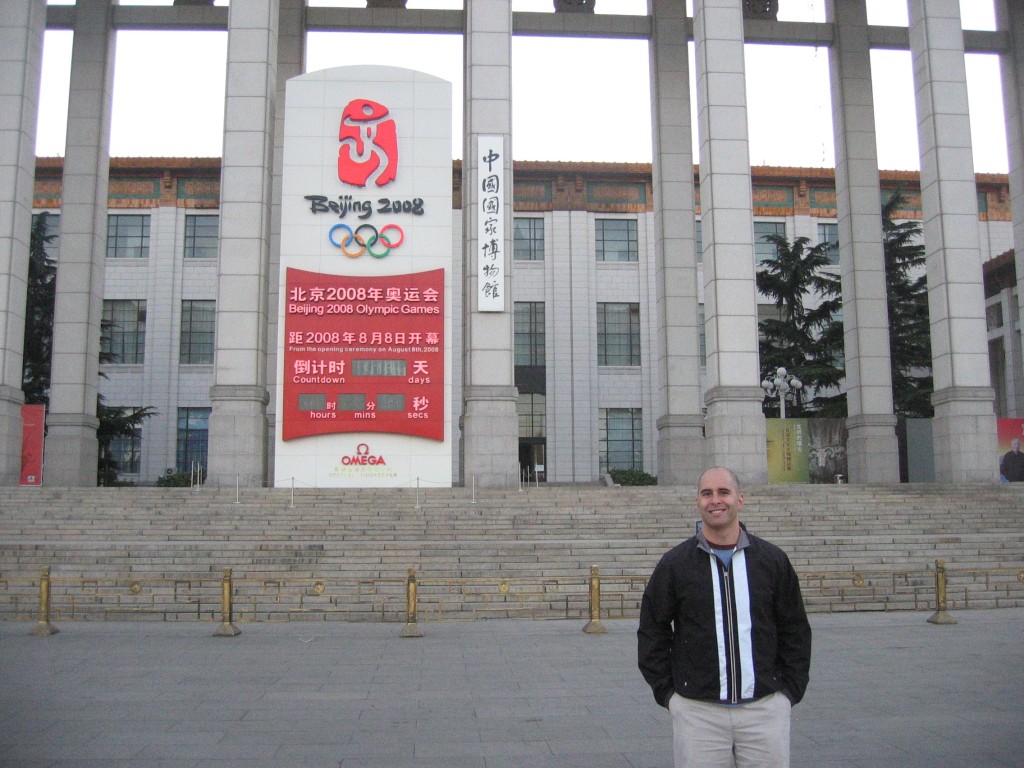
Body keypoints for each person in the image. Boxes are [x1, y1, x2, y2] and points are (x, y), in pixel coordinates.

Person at [637, 466, 812, 768]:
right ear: (698, 502)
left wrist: (788, 693)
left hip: (764, 711)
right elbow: (653, 630)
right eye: (707, 493)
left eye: (723, 492)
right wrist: (670, 696)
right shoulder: (675, 564)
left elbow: (794, 629)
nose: (715, 500)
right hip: (698, 715)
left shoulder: (772, 561)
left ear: (740, 500)